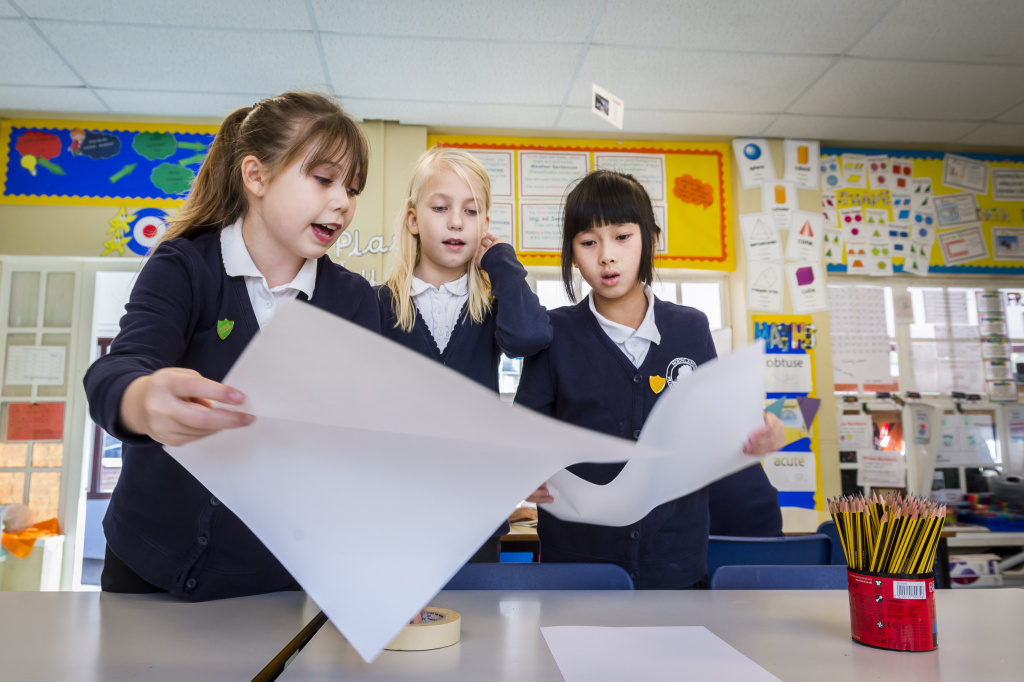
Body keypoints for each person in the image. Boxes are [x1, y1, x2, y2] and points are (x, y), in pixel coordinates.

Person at [84, 91, 379, 601]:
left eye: (352, 189)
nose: (343, 203)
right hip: (147, 563)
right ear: (256, 176)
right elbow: (120, 369)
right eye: (324, 179)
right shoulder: (184, 266)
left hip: (271, 578)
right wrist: (142, 399)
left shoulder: (352, 299)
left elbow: (363, 431)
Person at [515, 169, 784, 589]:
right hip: (578, 567)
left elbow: (718, 427)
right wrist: (524, 471)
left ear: (651, 240)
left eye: (622, 237)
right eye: (588, 242)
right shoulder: (552, 335)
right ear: (571, 251)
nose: (606, 256)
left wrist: (761, 433)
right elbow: (520, 438)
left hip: (677, 565)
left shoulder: (691, 328)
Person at [377, 147, 552, 560]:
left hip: (475, 516)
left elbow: (529, 337)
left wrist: (502, 262)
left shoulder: (492, 306)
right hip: (395, 513)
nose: (456, 221)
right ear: (413, 219)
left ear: (485, 226)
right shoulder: (378, 304)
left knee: (475, 624)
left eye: (471, 212)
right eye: (440, 207)